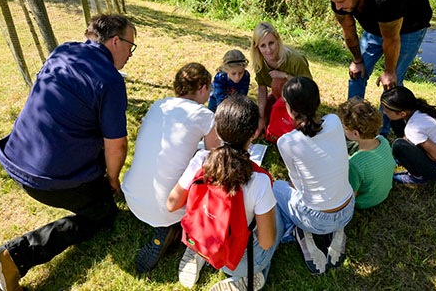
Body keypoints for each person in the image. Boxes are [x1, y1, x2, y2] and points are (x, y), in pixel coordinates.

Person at [0, 14, 137, 291]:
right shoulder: (110, 80)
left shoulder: (63, 50)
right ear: (116, 41)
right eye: (130, 46)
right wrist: (112, 180)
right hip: (47, 179)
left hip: (15, 156)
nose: (129, 54)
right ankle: (15, 257)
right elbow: (117, 144)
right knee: (103, 213)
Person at [166, 95, 282, 291]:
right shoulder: (260, 180)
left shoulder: (201, 160)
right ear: (254, 133)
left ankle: (197, 254)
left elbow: (171, 204)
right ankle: (252, 275)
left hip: (199, 240)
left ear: (217, 129)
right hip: (236, 261)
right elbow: (266, 241)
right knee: (277, 218)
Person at [121, 62, 220, 273]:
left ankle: (163, 228)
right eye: (209, 89)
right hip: (169, 207)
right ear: (202, 87)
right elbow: (214, 156)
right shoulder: (204, 115)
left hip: (132, 197)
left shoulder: (159, 105)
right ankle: (170, 230)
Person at [323, 0, 433, 136]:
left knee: (391, 83)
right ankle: (352, 125)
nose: (337, 7)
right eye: (334, 1)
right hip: (377, 25)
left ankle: (379, 132)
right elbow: (349, 30)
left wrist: (389, 71)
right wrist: (357, 61)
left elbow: (391, 39)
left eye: (341, 2)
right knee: (356, 73)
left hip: (410, 27)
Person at [273, 77, 354, 275]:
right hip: (348, 207)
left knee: (276, 187)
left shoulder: (286, 141)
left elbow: (297, 184)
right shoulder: (335, 121)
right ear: (317, 102)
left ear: (290, 108)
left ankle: (303, 232)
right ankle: (337, 230)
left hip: (315, 218)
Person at [380, 86, 436, 184]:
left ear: (402, 113)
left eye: (387, 110)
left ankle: (417, 177)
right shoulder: (417, 109)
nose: (383, 112)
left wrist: (414, 151)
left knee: (399, 145)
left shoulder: (413, 129)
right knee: (395, 121)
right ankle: (408, 159)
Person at [251, 22, 313, 138]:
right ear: (257, 47)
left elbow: (309, 89)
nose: (268, 50)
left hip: (300, 99)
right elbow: (262, 90)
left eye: (271, 43)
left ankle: (298, 120)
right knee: (259, 113)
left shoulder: (295, 59)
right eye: (263, 46)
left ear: (278, 40)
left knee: (277, 82)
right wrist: (261, 117)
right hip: (279, 96)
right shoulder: (259, 62)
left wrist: (285, 76)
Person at [337, 98, 395, 209]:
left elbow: (350, 197)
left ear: (355, 133)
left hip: (364, 202)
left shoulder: (354, 164)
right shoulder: (383, 142)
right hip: (381, 194)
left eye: (344, 128)